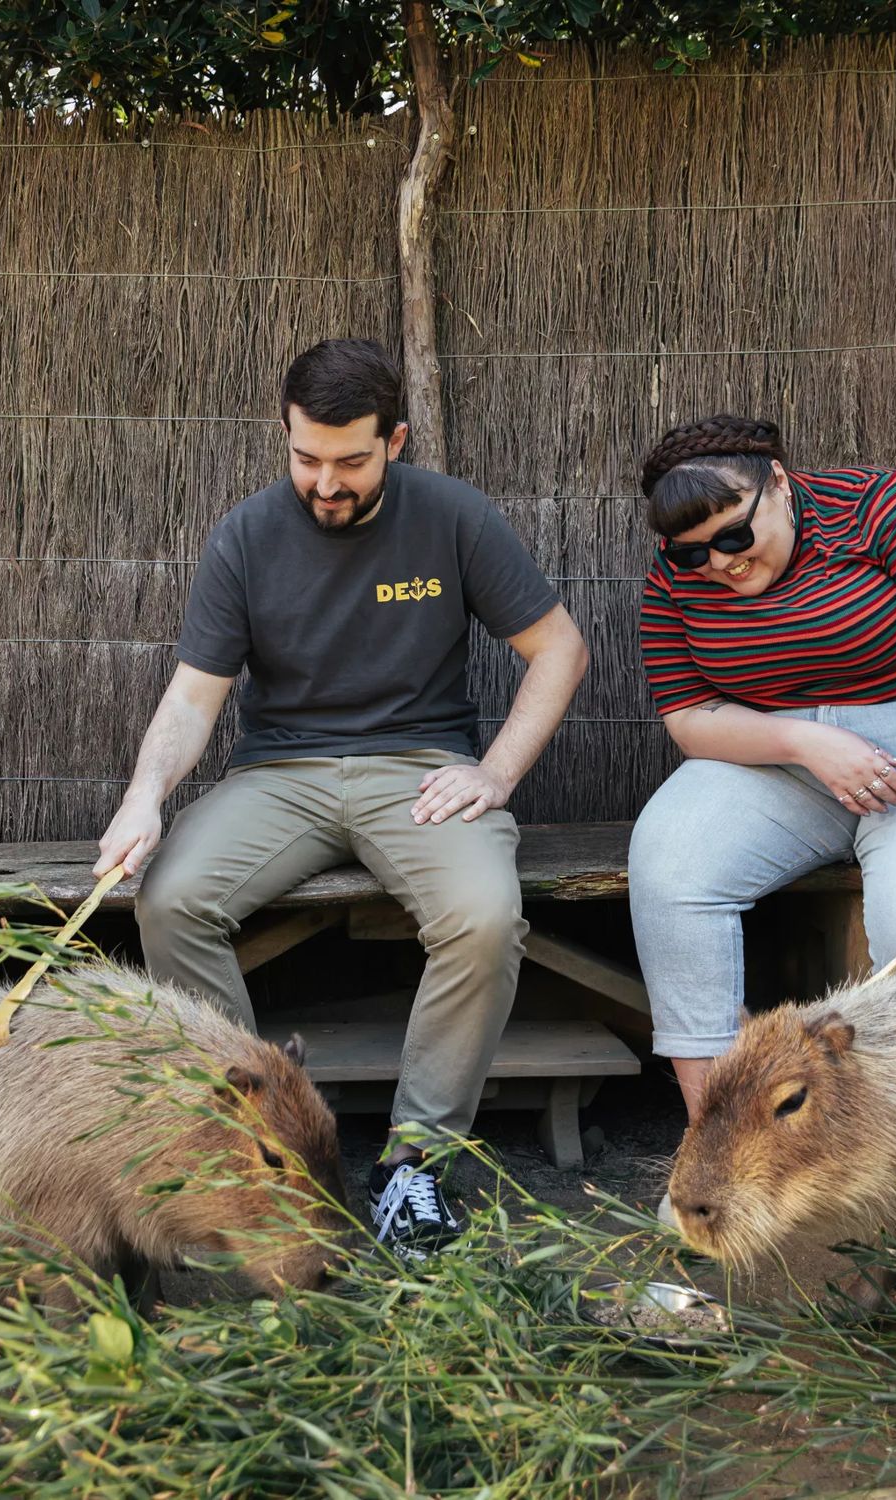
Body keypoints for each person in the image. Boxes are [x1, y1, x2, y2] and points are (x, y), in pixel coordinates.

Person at [94, 339, 587, 1260]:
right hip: (281, 775)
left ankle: (415, 1167)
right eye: (305, 458)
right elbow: (194, 696)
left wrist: (497, 773)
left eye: (351, 461)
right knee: (170, 900)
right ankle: (250, 1144)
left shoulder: (454, 517)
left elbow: (558, 648)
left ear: (394, 440)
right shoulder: (245, 535)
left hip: (419, 769)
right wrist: (145, 796)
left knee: (483, 916)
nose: (325, 482)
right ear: (283, 437)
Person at [629, 412, 896, 1138]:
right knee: (670, 868)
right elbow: (689, 716)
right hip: (789, 759)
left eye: (733, 537)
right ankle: (719, 1148)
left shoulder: (884, 510)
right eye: (693, 554)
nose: (718, 563)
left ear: (779, 485)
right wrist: (806, 741)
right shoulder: (675, 573)